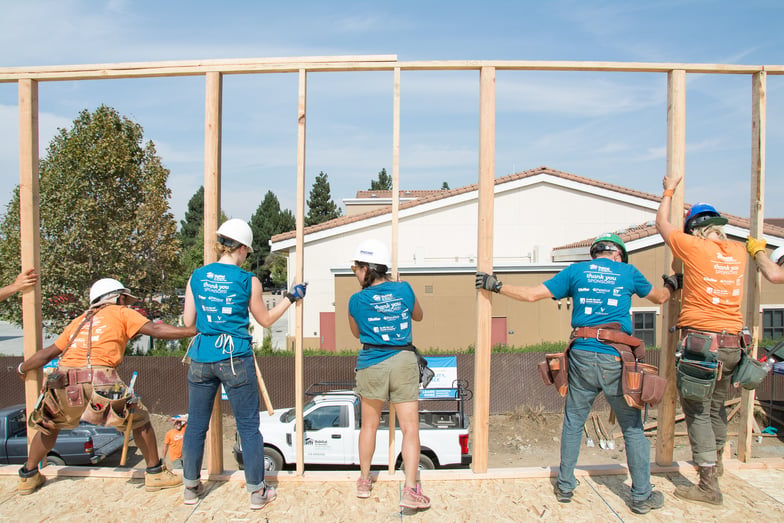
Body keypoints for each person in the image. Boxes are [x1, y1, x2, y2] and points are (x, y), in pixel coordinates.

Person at [476, 232, 673, 515]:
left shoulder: (576, 272)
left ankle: (565, 486)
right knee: (631, 427)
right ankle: (641, 496)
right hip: (616, 358)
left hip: (580, 354)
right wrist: (672, 285)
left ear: (595, 254)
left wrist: (496, 285)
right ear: (617, 255)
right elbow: (660, 298)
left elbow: (532, 295)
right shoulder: (627, 272)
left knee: (573, 421)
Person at [16, 277, 197, 495]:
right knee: (139, 420)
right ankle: (155, 472)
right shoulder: (121, 313)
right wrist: (192, 331)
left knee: (49, 426)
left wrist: (23, 369)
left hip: (63, 380)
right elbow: (156, 331)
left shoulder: (79, 321)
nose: (125, 303)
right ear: (118, 297)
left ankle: (28, 475)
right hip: (101, 378)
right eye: (124, 299)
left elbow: (47, 354)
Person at [181, 218, 306, 510]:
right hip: (235, 358)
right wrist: (290, 297)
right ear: (243, 248)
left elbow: (188, 322)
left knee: (196, 424)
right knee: (248, 426)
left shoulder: (196, 276)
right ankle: (256, 492)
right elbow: (264, 320)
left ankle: (190, 488)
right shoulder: (247, 281)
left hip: (200, 357)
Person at [656, 175, 747, 505]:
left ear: (694, 228)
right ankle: (717, 462)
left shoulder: (693, 246)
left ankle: (708, 486)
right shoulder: (737, 251)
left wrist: (668, 189)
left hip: (702, 343)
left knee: (696, 411)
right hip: (733, 343)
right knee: (716, 407)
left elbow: (661, 223)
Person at [347, 239, 430, 514]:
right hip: (404, 361)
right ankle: (409, 488)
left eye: (357, 268)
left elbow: (356, 334)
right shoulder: (404, 289)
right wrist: (399, 293)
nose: (355, 272)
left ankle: (363, 481)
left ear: (368, 269)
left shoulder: (356, 300)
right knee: (410, 428)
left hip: (372, 362)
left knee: (369, 425)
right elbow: (418, 316)